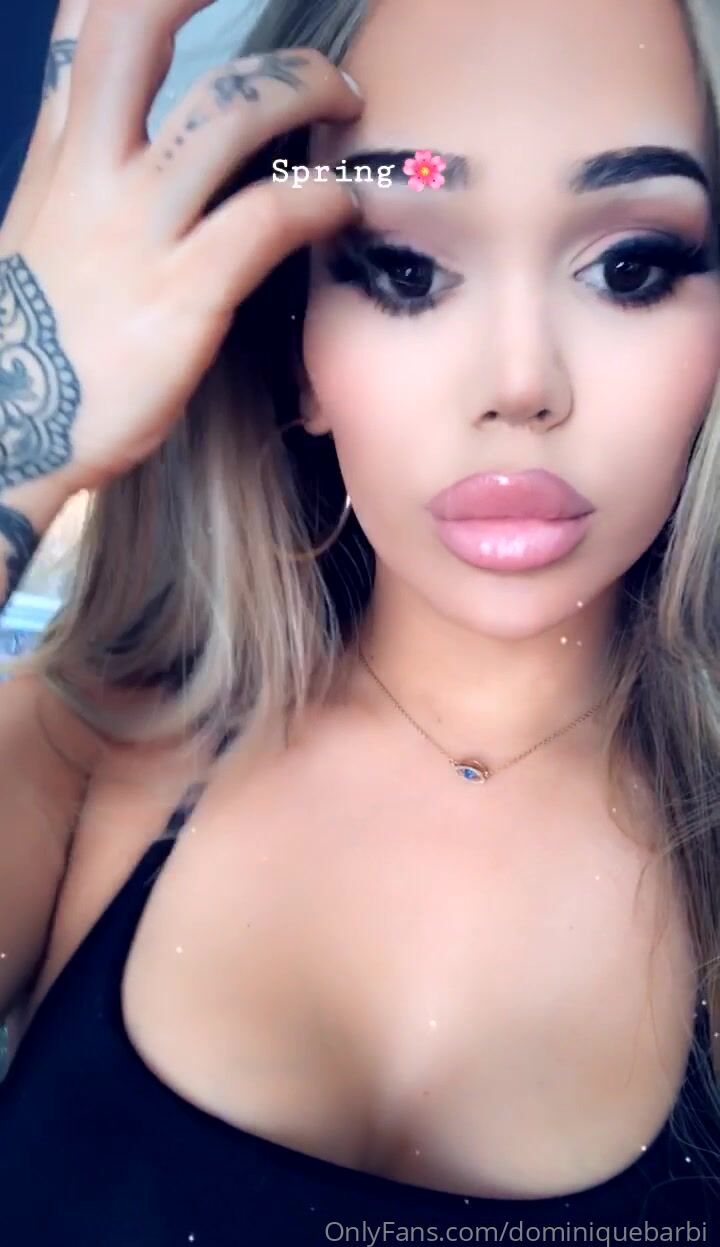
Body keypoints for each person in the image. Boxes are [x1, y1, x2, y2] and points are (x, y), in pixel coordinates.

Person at [0, 0, 719, 1238]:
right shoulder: (78, 756)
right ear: (297, 351)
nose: (520, 384)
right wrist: (18, 437)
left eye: (631, 266)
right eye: (405, 268)